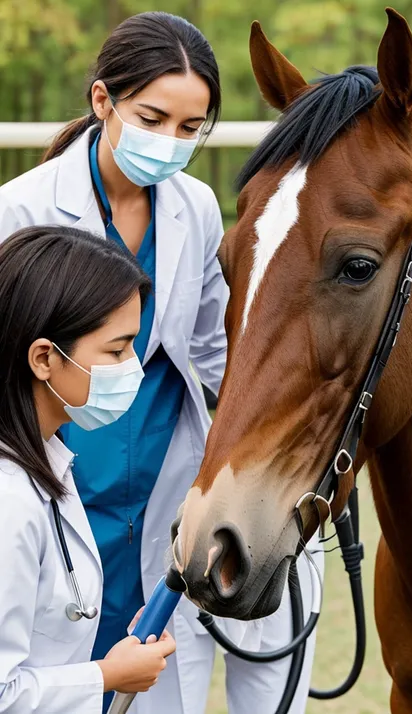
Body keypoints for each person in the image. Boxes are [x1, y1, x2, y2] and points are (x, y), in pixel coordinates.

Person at [0, 11, 321, 714]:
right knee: (55, 675)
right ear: (102, 102)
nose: (171, 144)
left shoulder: (195, 206)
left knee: (158, 682)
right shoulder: (18, 210)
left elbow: (211, 347)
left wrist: (290, 419)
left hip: (161, 476)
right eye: (154, 118)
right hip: (59, 477)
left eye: (190, 128)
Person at [0, 225, 176, 713]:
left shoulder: (46, 458)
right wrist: (108, 675)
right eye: (117, 350)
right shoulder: (9, 499)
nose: (133, 368)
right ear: (43, 358)